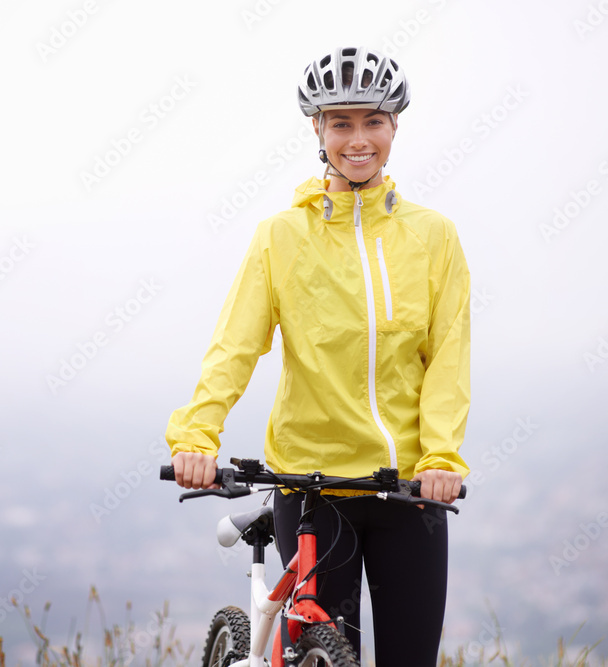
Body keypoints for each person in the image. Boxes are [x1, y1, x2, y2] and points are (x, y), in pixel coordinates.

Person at [165, 46, 470, 666]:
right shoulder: (281, 236)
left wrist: (440, 457)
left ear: (394, 127)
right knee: (330, 653)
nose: (358, 139)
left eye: (373, 122)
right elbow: (236, 345)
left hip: (408, 490)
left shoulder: (433, 235)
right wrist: (196, 435)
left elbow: (448, 358)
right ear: (317, 129)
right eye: (341, 122)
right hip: (312, 488)